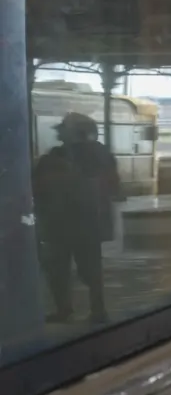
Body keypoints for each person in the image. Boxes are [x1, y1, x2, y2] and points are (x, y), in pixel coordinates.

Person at [33, 112, 119, 324]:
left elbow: (39, 186)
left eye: (63, 128)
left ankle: (68, 310)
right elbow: (113, 188)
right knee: (87, 269)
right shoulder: (102, 154)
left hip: (65, 223)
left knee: (61, 269)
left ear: (72, 132)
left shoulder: (58, 157)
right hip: (84, 223)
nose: (59, 132)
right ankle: (96, 310)